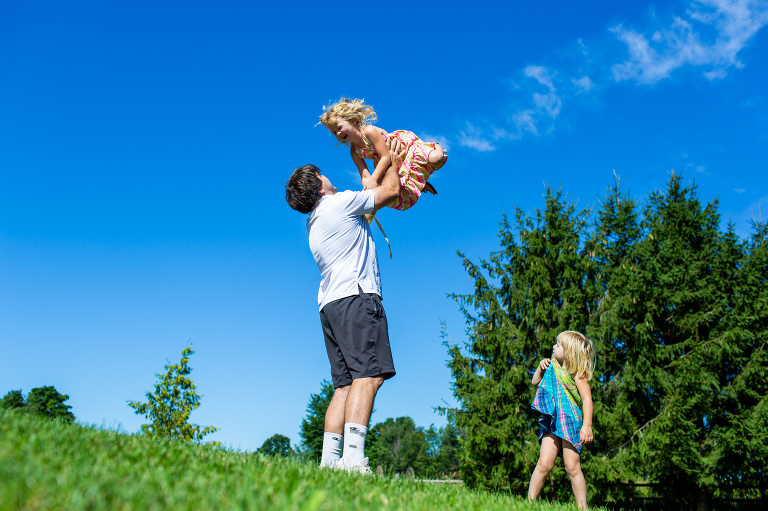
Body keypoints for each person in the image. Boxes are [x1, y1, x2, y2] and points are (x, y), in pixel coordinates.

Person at [284, 139, 403, 474]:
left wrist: (368, 168)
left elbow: (368, 205)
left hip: (330, 305)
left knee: (344, 385)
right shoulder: (339, 204)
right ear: (319, 187)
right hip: (356, 297)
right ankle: (352, 459)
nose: (328, 178)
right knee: (370, 376)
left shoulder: (316, 222)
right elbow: (391, 192)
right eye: (322, 176)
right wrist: (389, 155)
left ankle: (329, 462)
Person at [318, 97, 447, 211]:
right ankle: (422, 182)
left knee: (436, 158)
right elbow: (365, 176)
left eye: (339, 128)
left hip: (404, 149)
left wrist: (374, 179)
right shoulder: (354, 152)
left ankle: (435, 146)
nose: (338, 134)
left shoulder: (369, 131)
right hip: (393, 164)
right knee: (389, 196)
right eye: (334, 132)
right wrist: (367, 191)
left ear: (353, 121)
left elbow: (385, 156)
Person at [527, 331, 596, 510]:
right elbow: (535, 382)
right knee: (544, 463)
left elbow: (587, 400)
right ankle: (528, 504)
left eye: (558, 345)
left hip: (571, 423)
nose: (553, 347)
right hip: (552, 420)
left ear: (569, 352)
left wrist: (587, 426)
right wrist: (540, 369)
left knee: (572, 468)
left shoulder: (577, 374)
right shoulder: (552, 366)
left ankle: (582, 508)